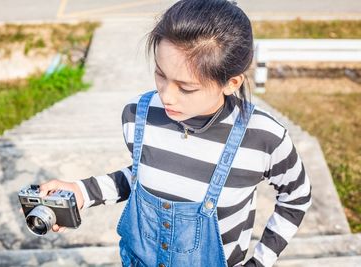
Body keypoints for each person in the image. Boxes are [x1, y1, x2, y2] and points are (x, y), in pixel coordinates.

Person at [39, 0, 312, 266]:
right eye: (160, 75)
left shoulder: (263, 138)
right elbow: (141, 174)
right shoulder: (138, 115)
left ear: (231, 82)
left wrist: (262, 261)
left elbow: (297, 197)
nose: (166, 96)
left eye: (186, 87)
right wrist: (81, 192)